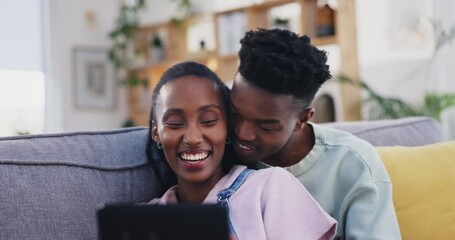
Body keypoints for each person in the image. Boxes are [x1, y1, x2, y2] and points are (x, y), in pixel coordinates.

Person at [229, 28, 401, 239]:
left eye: (266, 126)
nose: (243, 133)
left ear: (302, 119)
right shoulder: (215, 150)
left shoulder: (352, 165)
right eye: (235, 113)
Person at [146, 61, 336, 240]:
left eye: (208, 121)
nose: (193, 138)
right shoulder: (144, 219)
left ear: (228, 125)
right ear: (157, 132)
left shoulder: (269, 187)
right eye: (175, 123)